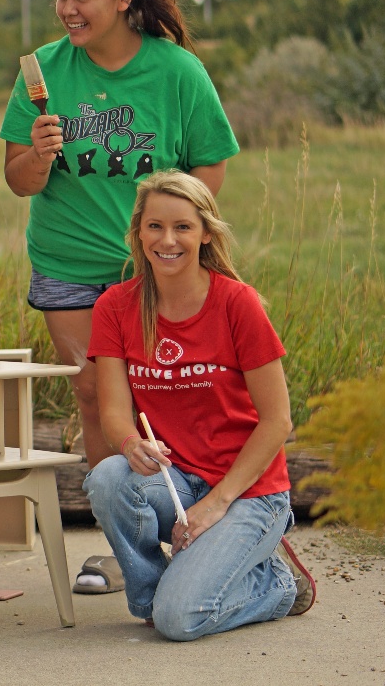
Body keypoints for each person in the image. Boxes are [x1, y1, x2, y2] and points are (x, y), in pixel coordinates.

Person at [0, 0, 239, 594]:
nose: (69, 10)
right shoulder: (41, 73)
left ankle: (194, 522)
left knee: (167, 393)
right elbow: (18, 181)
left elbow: (210, 164)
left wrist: (170, 238)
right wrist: (38, 153)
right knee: (93, 392)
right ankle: (120, 546)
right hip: (69, 261)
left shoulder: (175, 70)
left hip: (154, 268)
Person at [84, 170, 315, 639]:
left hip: (248, 491)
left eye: (183, 227)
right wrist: (129, 444)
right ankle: (154, 597)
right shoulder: (114, 305)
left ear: (206, 232)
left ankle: (278, 584)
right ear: (138, 232)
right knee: (108, 478)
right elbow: (112, 413)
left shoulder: (238, 303)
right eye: (155, 226)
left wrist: (217, 503)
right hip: (175, 481)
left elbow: (277, 421)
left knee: (181, 620)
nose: (167, 240)